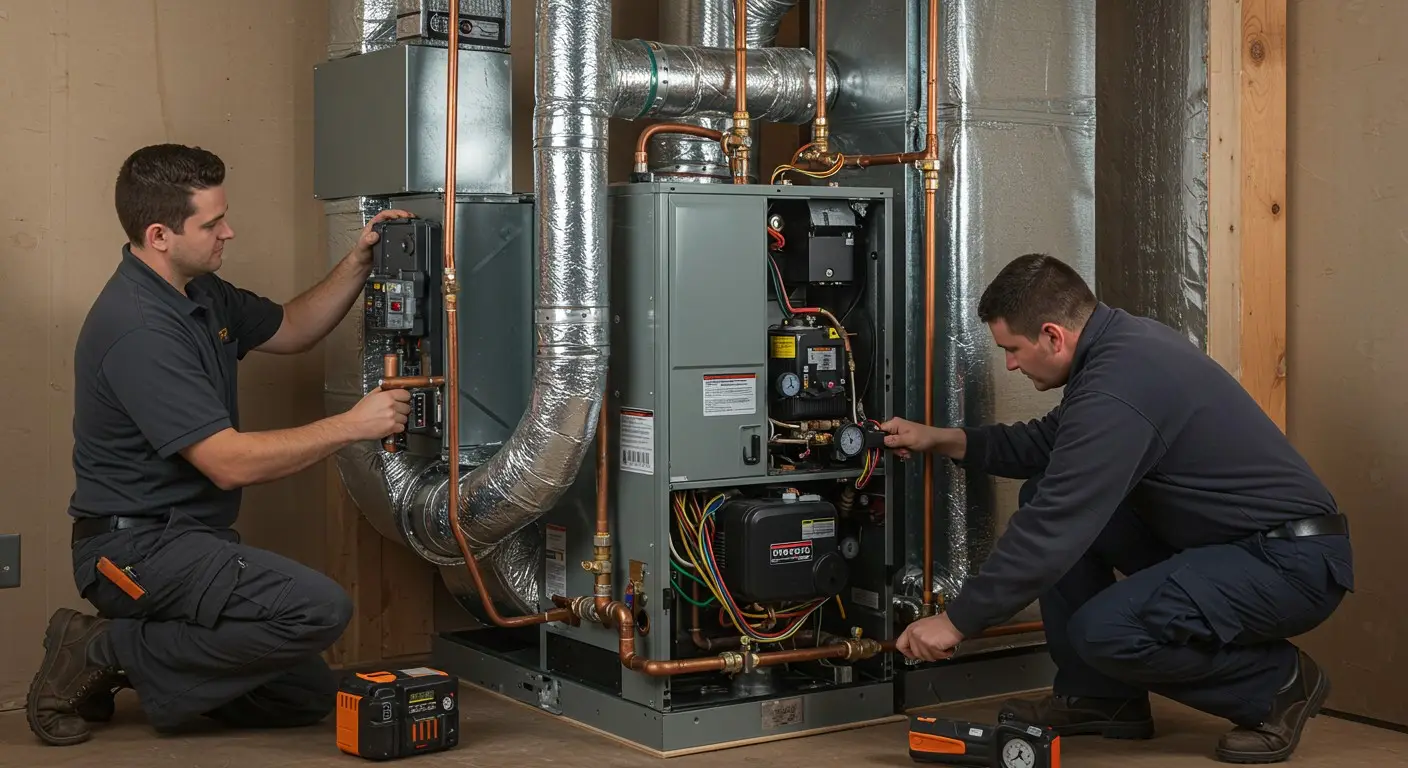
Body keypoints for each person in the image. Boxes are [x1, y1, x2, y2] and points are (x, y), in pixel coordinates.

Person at [881, 254, 1352, 765]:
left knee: (1103, 628)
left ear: (1053, 336)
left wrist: (956, 621)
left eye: (1012, 349)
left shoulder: (1119, 383)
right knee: (1042, 491)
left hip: (1287, 563)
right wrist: (942, 439)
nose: (1011, 364)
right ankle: (1101, 697)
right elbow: (1048, 445)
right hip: (1232, 545)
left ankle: (1277, 684)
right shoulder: (1119, 351)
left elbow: (1057, 523)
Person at [26, 144, 417, 746]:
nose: (228, 232)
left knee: (302, 696)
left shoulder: (200, 292)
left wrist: (360, 262)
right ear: (159, 235)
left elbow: (294, 327)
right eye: (212, 224)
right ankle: (102, 648)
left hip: (188, 539)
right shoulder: (139, 329)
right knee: (320, 609)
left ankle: (128, 663)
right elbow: (226, 463)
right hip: (133, 551)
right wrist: (352, 425)